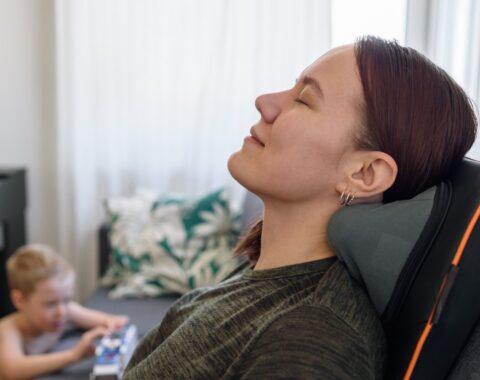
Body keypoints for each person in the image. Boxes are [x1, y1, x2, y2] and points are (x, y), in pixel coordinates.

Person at [123, 36, 477, 379]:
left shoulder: (310, 340)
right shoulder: (263, 275)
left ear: (364, 173)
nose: (265, 101)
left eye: (304, 100)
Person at [0, 244, 129, 379]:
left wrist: (112, 327)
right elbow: (12, 370)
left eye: (66, 300)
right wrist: (72, 355)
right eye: (50, 304)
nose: (61, 312)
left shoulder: (64, 311)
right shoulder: (8, 332)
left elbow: (110, 320)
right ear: (20, 300)